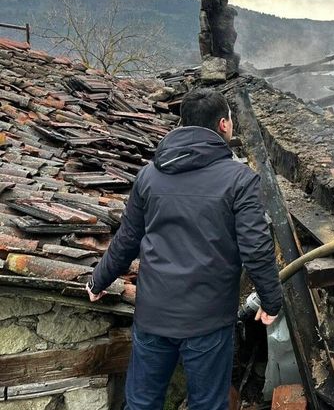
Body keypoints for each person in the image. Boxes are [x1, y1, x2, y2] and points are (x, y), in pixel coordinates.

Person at [87, 88, 284, 410]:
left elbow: (128, 238)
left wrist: (99, 280)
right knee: (207, 404)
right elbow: (256, 248)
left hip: (153, 315)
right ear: (223, 124)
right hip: (208, 321)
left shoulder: (149, 175)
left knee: (141, 403)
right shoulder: (240, 180)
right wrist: (271, 300)